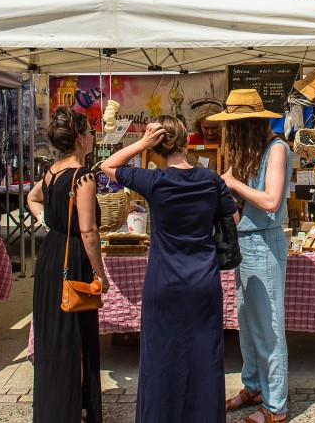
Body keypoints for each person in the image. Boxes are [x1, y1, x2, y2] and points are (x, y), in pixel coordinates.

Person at [99, 116, 238, 423]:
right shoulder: (211, 179)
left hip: (164, 283)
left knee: (161, 360)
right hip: (204, 280)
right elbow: (234, 220)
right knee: (205, 358)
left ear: (157, 147)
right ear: (187, 141)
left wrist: (142, 143)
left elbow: (107, 166)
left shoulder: (154, 181)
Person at [207, 89, 293, 423]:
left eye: (234, 125)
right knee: (247, 323)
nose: (230, 133)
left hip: (264, 245)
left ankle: (275, 407)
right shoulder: (254, 150)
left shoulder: (277, 149)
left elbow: (271, 200)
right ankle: (254, 386)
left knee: (269, 328)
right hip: (246, 243)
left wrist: (231, 183)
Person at [27, 107, 106, 423]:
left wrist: (48, 221)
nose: (91, 137)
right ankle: (71, 412)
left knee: (54, 339)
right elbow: (89, 231)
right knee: (74, 338)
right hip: (71, 259)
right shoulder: (82, 176)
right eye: (88, 132)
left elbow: (33, 199)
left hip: (50, 255)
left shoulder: (51, 171)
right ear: (79, 138)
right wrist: (100, 272)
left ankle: (55, 410)